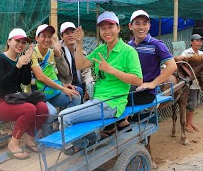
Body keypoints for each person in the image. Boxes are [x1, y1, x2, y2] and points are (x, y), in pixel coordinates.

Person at [59, 11, 143, 155]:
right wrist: (79, 44)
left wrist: (112, 70)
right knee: (68, 117)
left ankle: (85, 144)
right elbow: (80, 64)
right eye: (103, 28)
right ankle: (93, 140)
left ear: (118, 28)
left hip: (112, 103)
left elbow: (138, 80)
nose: (107, 31)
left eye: (110, 27)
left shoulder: (128, 51)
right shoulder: (101, 50)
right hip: (97, 100)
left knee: (63, 117)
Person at [0, 28, 49, 160]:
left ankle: (29, 138)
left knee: (43, 108)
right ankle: (13, 143)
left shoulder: (20, 60)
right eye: (17, 41)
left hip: (15, 100)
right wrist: (17, 67)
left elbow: (25, 81)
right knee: (29, 109)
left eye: (23, 42)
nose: (20, 44)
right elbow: (1, 84)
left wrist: (26, 63)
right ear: (9, 41)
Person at [115, 10, 177, 130]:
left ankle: (120, 123)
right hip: (129, 88)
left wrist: (153, 83)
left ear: (149, 26)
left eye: (145, 23)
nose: (141, 27)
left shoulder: (156, 44)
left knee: (112, 100)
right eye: (137, 23)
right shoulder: (128, 46)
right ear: (130, 26)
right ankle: (121, 123)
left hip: (145, 92)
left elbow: (172, 66)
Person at [31, 24, 81, 136]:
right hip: (37, 95)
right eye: (43, 36)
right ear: (36, 38)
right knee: (52, 112)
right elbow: (40, 76)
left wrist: (64, 85)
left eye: (49, 36)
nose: (47, 39)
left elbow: (56, 74)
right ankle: (47, 133)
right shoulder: (32, 53)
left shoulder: (52, 52)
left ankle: (63, 129)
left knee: (76, 96)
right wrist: (63, 88)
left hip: (51, 92)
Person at [58, 21, 94, 101]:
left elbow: (86, 71)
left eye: (73, 32)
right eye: (67, 33)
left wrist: (89, 86)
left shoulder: (81, 51)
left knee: (92, 88)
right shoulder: (58, 52)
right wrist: (58, 56)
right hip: (66, 85)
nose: (71, 35)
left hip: (80, 84)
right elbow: (64, 73)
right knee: (79, 91)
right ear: (61, 37)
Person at [181, 33, 203, 132]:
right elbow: (180, 65)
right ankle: (187, 125)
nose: (199, 43)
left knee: (195, 104)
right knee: (192, 104)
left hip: (198, 84)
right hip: (189, 84)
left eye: (201, 41)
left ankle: (190, 123)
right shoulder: (186, 53)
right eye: (197, 40)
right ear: (191, 42)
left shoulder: (202, 54)